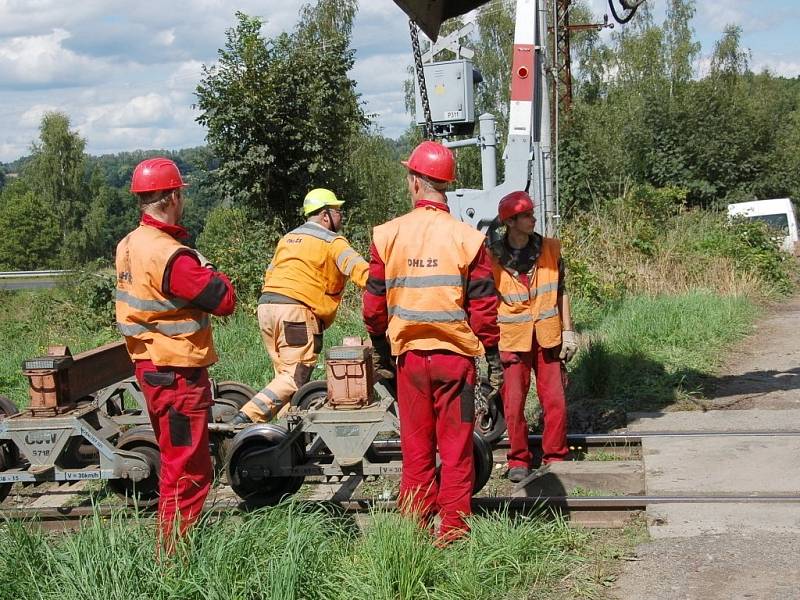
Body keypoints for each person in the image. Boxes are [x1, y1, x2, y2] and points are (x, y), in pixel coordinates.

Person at [362, 141, 502, 543]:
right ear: (445, 186)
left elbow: (373, 306)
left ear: (415, 182)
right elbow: (483, 308)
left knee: (416, 449)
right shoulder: (468, 239)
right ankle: (453, 533)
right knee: (456, 449)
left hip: (410, 362)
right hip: (455, 362)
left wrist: (384, 346)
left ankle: (413, 532)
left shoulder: (387, 235)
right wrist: (488, 352)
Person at [115, 157, 236, 549]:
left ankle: (173, 548)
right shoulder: (171, 255)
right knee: (189, 468)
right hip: (177, 374)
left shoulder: (129, 244)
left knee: (173, 460)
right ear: (169, 197)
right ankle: (175, 558)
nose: (181, 200)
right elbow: (224, 298)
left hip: (150, 367)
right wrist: (208, 265)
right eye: (180, 193)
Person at [233, 188, 368, 424]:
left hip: (266, 308)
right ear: (325, 216)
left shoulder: (288, 239)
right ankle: (243, 419)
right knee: (295, 377)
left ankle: (286, 437)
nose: (341, 216)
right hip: (295, 312)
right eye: (337, 211)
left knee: (283, 376)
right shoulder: (333, 241)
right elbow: (362, 271)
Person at [488, 190, 579, 483]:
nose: (533, 219)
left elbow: (561, 292)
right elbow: (485, 301)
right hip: (512, 339)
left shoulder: (549, 250)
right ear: (511, 222)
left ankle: (556, 455)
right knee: (513, 402)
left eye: (531, 214)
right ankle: (518, 459)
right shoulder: (492, 258)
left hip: (548, 336)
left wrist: (568, 331)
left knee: (554, 400)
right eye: (526, 215)